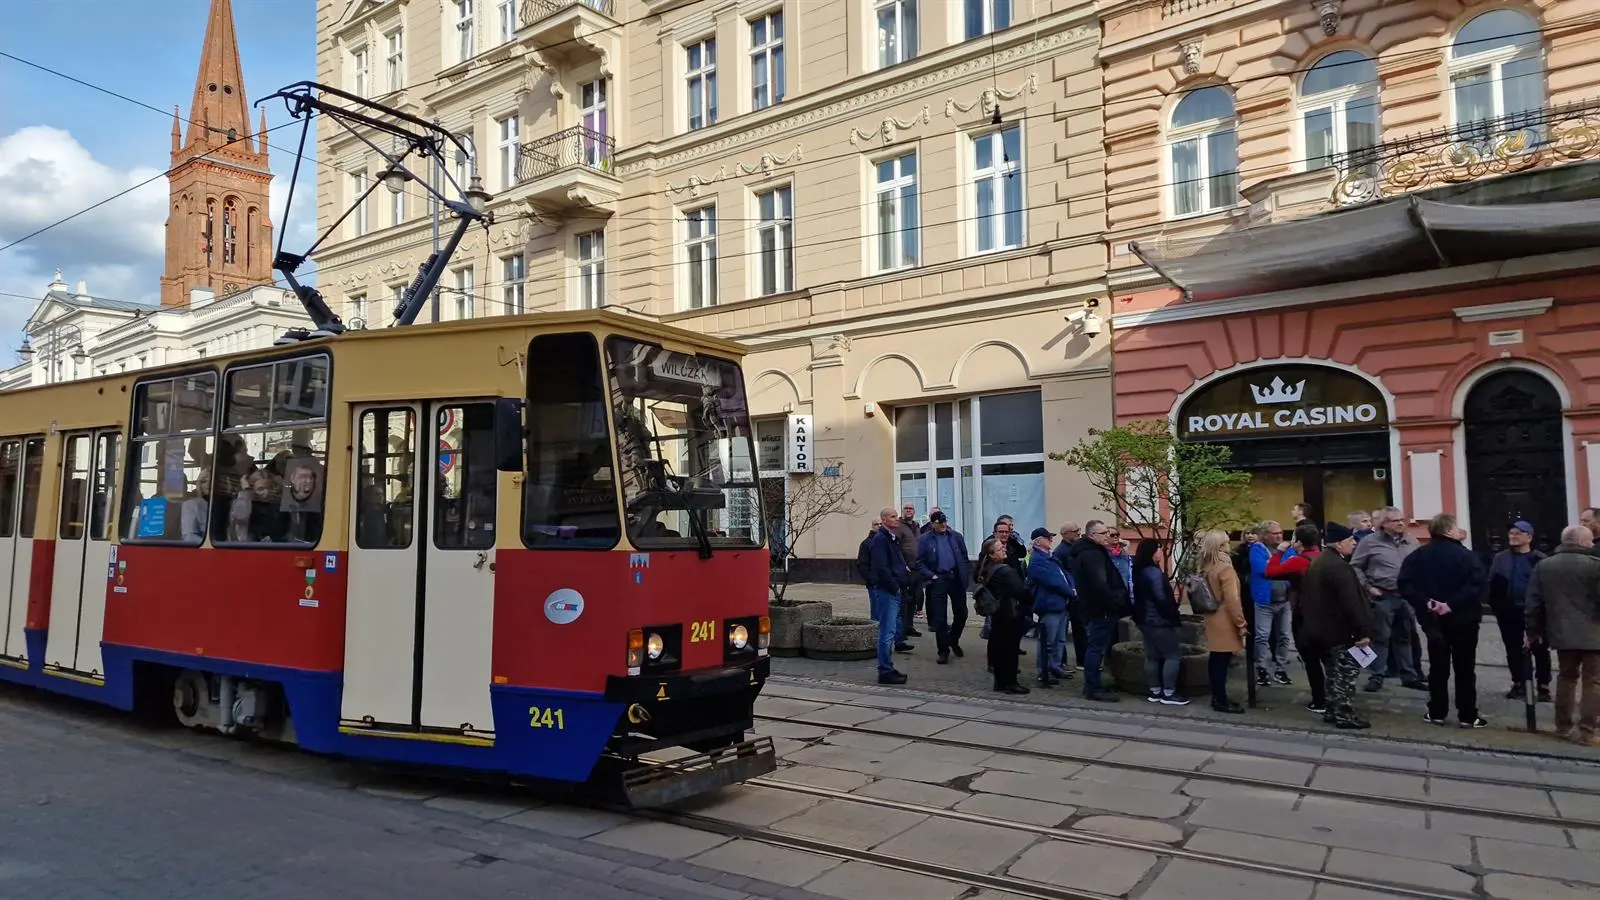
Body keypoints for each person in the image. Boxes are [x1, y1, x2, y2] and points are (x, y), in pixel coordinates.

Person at [1399, 513, 1488, 728]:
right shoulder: (1467, 556)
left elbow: (1405, 583)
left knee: (1438, 667)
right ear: (1448, 531)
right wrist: (1451, 604)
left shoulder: (1418, 556)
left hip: (1432, 620)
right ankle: (1467, 715)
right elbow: (1477, 585)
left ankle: (1436, 712)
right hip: (1465, 619)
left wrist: (1426, 602)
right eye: (1456, 527)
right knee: (1465, 668)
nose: (1459, 531)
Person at [1524, 525, 1600, 746]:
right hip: (1595, 633)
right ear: (1583, 542)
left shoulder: (1544, 566)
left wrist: (1533, 631)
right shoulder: (1595, 566)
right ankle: (1586, 731)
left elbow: (1533, 603)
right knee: (1593, 682)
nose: (1592, 544)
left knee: (1566, 678)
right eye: (1590, 541)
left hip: (1561, 633)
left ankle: (1562, 726)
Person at [1300, 522, 1373, 729]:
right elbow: (1351, 602)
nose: (1354, 543)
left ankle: (1332, 710)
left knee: (1332, 673)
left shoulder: (1320, 561)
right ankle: (1344, 714)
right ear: (1339, 543)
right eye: (1350, 540)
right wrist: (1362, 631)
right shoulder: (1339, 567)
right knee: (1345, 675)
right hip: (1340, 631)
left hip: (1320, 630)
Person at [1351, 507, 1427, 693]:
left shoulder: (1411, 541)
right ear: (1384, 524)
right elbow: (1355, 567)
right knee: (1380, 638)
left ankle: (1409, 675)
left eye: (1402, 520)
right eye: (1395, 520)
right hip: (1382, 596)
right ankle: (1377, 676)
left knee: (1405, 637)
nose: (1400, 523)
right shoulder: (1370, 542)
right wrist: (1368, 587)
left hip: (1406, 597)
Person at [1488, 520, 1550, 703]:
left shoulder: (1540, 559)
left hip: (1535, 611)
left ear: (1529, 537)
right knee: (1513, 648)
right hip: (1508, 610)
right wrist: (1496, 604)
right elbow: (1492, 582)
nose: (1513, 536)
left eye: (1518, 533)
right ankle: (1519, 682)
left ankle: (1543, 685)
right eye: (1511, 533)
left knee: (1539, 648)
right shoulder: (1500, 558)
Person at [1070, 519, 1130, 702]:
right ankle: (1093, 687)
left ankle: (1094, 684)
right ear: (1092, 535)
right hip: (1100, 608)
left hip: (1096, 607)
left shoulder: (1091, 551)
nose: (1107, 536)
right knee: (1096, 648)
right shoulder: (1092, 555)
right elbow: (1099, 584)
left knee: (1097, 647)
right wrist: (1113, 602)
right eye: (1103, 533)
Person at [1268, 523, 1324, 712]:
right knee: (1327, 658)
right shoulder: (1324, 557)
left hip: (1304, 614)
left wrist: (1279, 552)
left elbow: (1271, 572)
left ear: (1298, 542)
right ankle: (1335, 696)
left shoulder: (1298, 561)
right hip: (1326, 614)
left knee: (1311, 659)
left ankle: (1319, 700)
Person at [1132, 538, 1187, 705]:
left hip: (1144, 619)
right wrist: (1171, 614)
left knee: (1152, 656)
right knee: (1172, 655)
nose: (1160, 553)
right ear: (1151, 552)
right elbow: (1161, 598)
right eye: (1158, 549)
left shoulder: (1138, 570)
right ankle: (1169, 693)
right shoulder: (1154, 573)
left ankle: (1155, 690)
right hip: (1159, 620)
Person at [1198, 530, 1247, 713]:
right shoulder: (1225, 568)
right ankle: (1221, 700)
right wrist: (1241, 623)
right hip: (1225, 619)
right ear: (1220, 546)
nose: (1229, 545)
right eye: (1226, 542)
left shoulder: (1207, 566)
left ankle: (1218, 697)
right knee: (1222, 662)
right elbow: (1232, 600)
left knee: (1216, 661)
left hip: (1212, 617)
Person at [914, 510, 972, 665]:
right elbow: (919, 562)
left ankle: (953, 640)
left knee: (962, 613)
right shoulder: (924, 539)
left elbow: (964, 557)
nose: (943, 525)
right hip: (938, 579)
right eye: (939, 523)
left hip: (956, 578)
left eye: (945, 522)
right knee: (940, 618)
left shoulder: (956, 536)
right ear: (932, 524)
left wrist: (965, 574)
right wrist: (931, 575)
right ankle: (943, 651)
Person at [864, 507, 911, 685]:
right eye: (892, 516)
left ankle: (888, 667)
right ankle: (885, 670)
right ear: (883, 520)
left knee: (889, 630)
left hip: (893, 589)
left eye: (896, 516)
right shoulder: (880, 539)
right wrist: (894, 586)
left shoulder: (891, 538)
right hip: (887, 591)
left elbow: (895, 562)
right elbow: (881, 567)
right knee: (887, 632)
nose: (896, 519)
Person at [977, 538, 1030, 695]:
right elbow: (1021, 591)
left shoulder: (987, 569)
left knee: (1000, 648)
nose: (1004, 550)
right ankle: (1010, 683)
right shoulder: (1005, 571)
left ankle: (1000, 682)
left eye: (1003, 547)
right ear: (992, 554)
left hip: (998, 613)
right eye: (1000, 549)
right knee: (1010, 649)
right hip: (1010, 613)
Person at [1025, 527, 1074, 687]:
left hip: (1061, 602)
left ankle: (1055, 666)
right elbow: (1053, 581)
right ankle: (1044, 670)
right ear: (1038, 541)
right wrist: (1070, 592)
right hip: (1049, 604)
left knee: (1060, 639)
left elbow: (1065, 574)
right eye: (1047, 538)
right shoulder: (1037, 559)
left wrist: (1072, 587)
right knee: (1048, 640)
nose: (1051, 540)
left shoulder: (1051, 557)